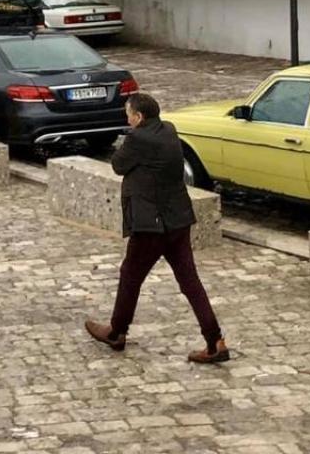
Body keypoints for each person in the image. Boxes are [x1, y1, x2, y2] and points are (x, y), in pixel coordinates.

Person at [83, 91, 229, 364]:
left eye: (128, 114)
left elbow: (117, 165)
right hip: (178, 220)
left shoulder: (137, 138)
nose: (126, 119)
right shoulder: (169, 130)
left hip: (151, 224)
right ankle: (215, 340)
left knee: (130, 275)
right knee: (190, 281)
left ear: (138, 117)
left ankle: (117, 332)